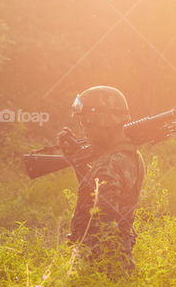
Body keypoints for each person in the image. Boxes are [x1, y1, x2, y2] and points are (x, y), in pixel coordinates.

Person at [58, 86, 145, 275]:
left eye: (87, 123)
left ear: (103, 121)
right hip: (114, 267)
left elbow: (104, 228)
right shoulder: (129, 155)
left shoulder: (110, 164)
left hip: (100, 270)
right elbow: (95, 195)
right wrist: (79, 164)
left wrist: (85, 274)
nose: (84, 128)